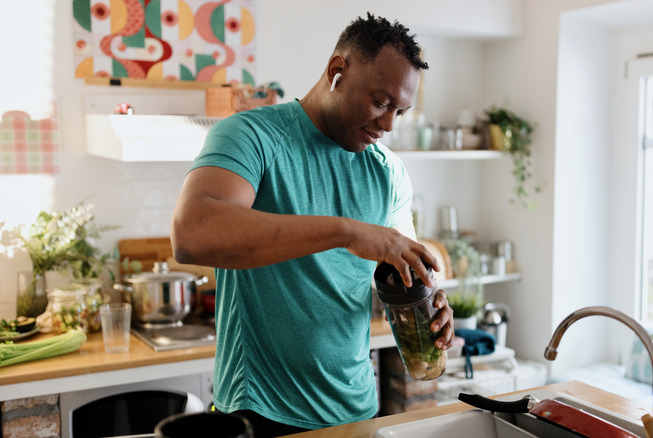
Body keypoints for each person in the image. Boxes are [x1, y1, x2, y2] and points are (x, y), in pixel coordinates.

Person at [170, 12, 454, 437]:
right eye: (380, 101)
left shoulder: (388, 172)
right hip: (260, 413)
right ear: (337, 71)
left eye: (401, 110)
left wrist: (428, 306)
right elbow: (193, 233)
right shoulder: (252, 136)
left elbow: (406, 273)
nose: (389, 124)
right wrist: (348, 231)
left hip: (357, 410)